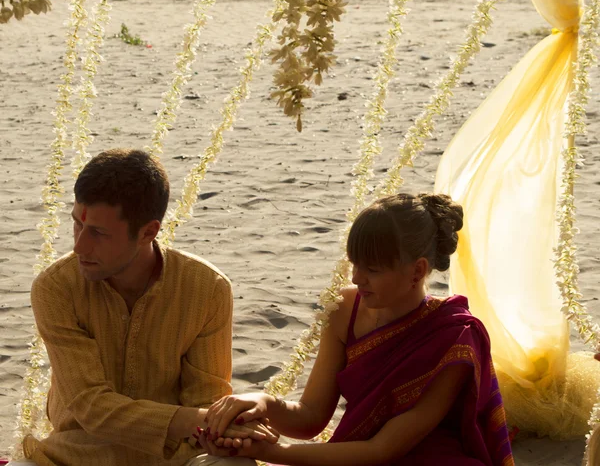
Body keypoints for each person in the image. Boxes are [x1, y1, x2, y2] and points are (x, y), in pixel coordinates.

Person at [197, 193, 515, 465]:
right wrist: (263, 402)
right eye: (354, 264)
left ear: (417, 270)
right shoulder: (344, 310)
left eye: (372, 269)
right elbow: (310, 416)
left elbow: (383, 449)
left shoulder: (454, 337)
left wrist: (275, 452)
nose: (356, 278)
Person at [13, 149, 275, 466]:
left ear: (148, 232)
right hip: (74, 456)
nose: (79, 246)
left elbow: (206, 398)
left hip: (173, 458)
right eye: (77, 225)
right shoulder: (57, 287)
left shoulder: (207, 289)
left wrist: (221, 429)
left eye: (97, 232)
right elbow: (91, 406)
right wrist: (207, 419)